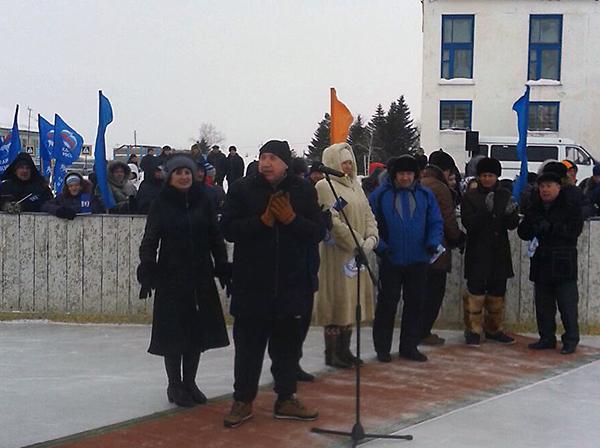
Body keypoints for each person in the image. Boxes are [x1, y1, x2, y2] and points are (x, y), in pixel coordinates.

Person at [220, 140, 325, 428]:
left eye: (273, 158)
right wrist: (262, 221)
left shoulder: (303, 190)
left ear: (285, 163)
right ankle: (242, 401)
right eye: (263, 157)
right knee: (248, 350)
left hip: (291, 286)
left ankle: (286, 398)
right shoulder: (242, 189)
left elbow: (317, 232)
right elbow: (227, 229)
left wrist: (291, 220)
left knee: (288, 349)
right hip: (251, 286)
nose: (266, 163)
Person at [137, 154, 230, 408]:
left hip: (200, 277)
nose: (184, 176)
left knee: (196, 333)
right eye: (178, 173)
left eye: (187, 172)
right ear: (170, 177)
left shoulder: (204, 201)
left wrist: (221, 265)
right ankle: (174, 385)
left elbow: (215, 237)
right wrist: (148, 266)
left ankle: (190, 382)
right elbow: (150, 239)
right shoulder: (161, 203)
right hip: (171, 276)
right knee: (174, 334)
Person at [369, 155, 443, 362]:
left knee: (415, 304)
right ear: (394, 174)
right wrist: (381, 248)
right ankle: (382, 348)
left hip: (418, 260)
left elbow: (436, 222)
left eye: (409, 174)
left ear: (415, 175)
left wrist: (432, 243)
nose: (405, 178)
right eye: (401, 174)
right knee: (387, 305)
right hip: (391, 259)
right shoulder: (379, 196)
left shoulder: (426, 196)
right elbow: (370, 224)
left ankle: (409, 346)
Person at [313, 143, 378, 369]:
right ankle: (332, 352)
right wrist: (357, 242)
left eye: (350, 162)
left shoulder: (355, 186)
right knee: (337, 302)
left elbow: (369, 214)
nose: (347, 167)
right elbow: (333, 223)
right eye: (343, 162)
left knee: (352, 301)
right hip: (337, 255)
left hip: (357, 256)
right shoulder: (325, 186)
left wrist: (371, 239)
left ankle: (345, 349)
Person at [517, 172, 584, 354]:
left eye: (548, 186)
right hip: (542, 263)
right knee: (543, 305)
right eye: (542, 186)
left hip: (563, 263)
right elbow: (523, 233)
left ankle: (570, 339)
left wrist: (553, 228)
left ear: (558, 187)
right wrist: (531, 224)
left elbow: (574, 231)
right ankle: (546, 337)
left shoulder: (570, 207)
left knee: (567, 305)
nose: (544, 190)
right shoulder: (535, 207)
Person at [461, 157, 519, 347]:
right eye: (484, 175)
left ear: (497, 177)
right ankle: (473, 331)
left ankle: (494, 329)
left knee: (497, 292)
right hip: (478, 251)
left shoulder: (504, 195)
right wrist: (486, 210)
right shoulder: (470, 197)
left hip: (499, 251)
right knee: (475, 292)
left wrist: (511, 213)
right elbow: (469, 224)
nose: (487, 179)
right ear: (478, 176)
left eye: (491, 176)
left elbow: (511, 225)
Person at [419, 150, 465, 346]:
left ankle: (416, 330)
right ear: (445, 170)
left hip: (417, 249)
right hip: (436, 248)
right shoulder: (440, 188)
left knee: (420, 293)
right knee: (434, 293)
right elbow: (448, 219)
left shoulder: (420, 182)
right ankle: (424, 331)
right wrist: (458, 238)